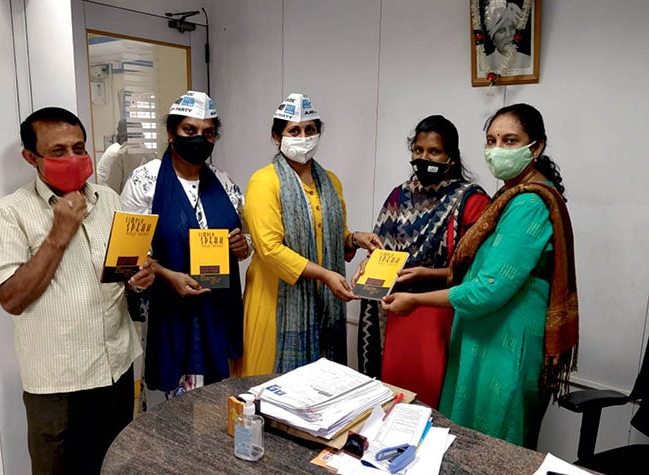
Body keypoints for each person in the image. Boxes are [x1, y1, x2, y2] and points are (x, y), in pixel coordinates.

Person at [0, 107, 154, 475]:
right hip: (57, 382)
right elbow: (12, 298)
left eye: (79, 148)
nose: (73, 158)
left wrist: (138, 278)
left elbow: (122, 270)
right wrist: (58, 235)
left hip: (115, 368)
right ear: (31, 157)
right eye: (58, 151)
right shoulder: (9, 212)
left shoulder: (108, 199)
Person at [381, 103, 579, 448]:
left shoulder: (529, 204)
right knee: (465, 443)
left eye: (510, 140)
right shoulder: (510, 196)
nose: (497, 149)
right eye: (491, 140)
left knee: (492, 449)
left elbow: (486, 289)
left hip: (505, 344)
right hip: (484, 337)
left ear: (536, 147)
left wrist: (415, 300)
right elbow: (481, 269)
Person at [236, 93, 382, 376]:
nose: (303, 137)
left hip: (322, 305)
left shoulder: (330, 181)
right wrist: (325, 275)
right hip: (275, 304)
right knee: (270, 387)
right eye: (294, 131)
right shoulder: (264, 182)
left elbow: (331, 236)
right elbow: (270, 249)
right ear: (277, 136)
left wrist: (355, 238)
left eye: (310, 130)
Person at [353, 115, 490, 408]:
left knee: (430, 400)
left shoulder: (471, 201)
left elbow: (479, 272)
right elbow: (381, 249)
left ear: (451, 157)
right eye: (418, 150)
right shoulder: (399, 195)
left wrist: (427, 273)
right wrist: (369, 264)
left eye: (434, 151)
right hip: (393, 314)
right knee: (393, 399)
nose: (424, 158)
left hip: (439, 312)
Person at [121, 90, 251, 394]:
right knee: (175, 411)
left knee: (218, 404)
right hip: (170, 313)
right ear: (171, 132)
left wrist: (242, 245)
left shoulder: (225, 182)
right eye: (189, 130)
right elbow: (128, 256)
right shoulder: (145, 182)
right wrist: (168, 276)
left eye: (208, 133)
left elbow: (246, 238)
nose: (199, 140)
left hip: (218, 312)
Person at [483, 0, 531, 73]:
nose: (508, 35)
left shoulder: (528, 61)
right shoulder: (485, 64)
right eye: (502, 30)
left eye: (511, 28)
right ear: (493, 37)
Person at [96, 118, 126, 184]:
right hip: (104, 186)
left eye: (119, 132)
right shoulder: (116, 152)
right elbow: (113, 184)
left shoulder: (126, 151)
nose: (117, 135)